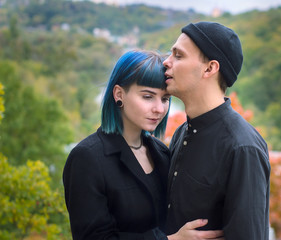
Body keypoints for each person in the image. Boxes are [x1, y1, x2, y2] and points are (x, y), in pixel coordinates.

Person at [63, 50, 224, 240]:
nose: (159, 109)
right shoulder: (87, 158)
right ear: (118, 94)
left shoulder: (162, 153)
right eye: (148, 96)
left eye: (165, 99)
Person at [163, 22, 271, 240]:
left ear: (210, 68)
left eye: (178, 55)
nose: (166, 62)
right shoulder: (182, 132)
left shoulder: (242, 147)